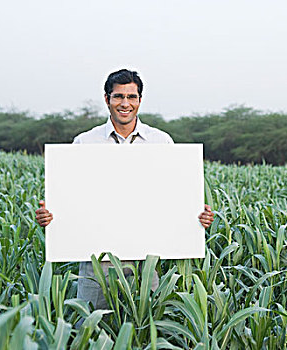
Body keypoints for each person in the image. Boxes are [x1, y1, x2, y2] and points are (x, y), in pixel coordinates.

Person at [36, 69, 214, 310]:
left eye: (131, 97)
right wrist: (52, 217)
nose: (125, 103)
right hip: (97, 260)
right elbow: (72, 198)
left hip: (147, 259)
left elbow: (173, 197)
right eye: (118, 96)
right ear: (107, 98)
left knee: (147, 328)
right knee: (89, 329)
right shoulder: (85, 142)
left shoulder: (161, 142)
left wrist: (196, 218)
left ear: (140, 100)